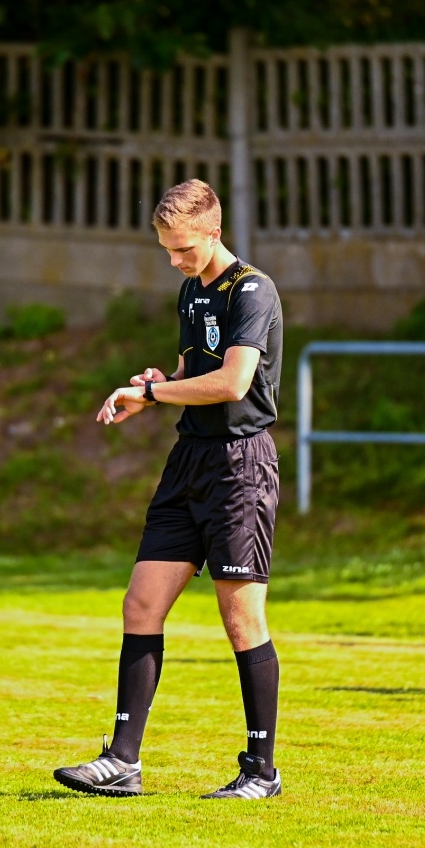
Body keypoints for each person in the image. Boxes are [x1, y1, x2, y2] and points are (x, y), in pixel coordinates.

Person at [53, 179, 285, 801]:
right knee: (140, 604)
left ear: (212, 233)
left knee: (241, 619)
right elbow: (195, 373)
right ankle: (122, 761)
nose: (175, 261)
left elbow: (234, 383)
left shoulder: (253, 291)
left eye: (183, 249)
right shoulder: (190, 290)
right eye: (167, 250)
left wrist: (158, 393)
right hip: (189, 462)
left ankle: (261, 772)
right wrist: (155, 385)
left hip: (241, 467)